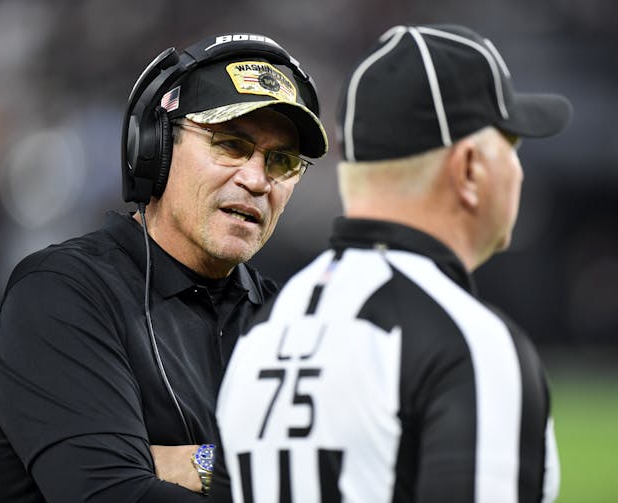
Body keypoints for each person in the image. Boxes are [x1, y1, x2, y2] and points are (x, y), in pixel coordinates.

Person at [210, 24, 572, 502]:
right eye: (512, 145)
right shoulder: (469, 344)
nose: (520, 170)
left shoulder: (263, 334)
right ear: (469, 169)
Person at [0, 32, 328, 502]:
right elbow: (110, 493)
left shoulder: (291, 323)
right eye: (230, 144)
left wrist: (194, 463)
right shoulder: (60, 295)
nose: (257, 179)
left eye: (282, 161)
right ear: (155, 149)